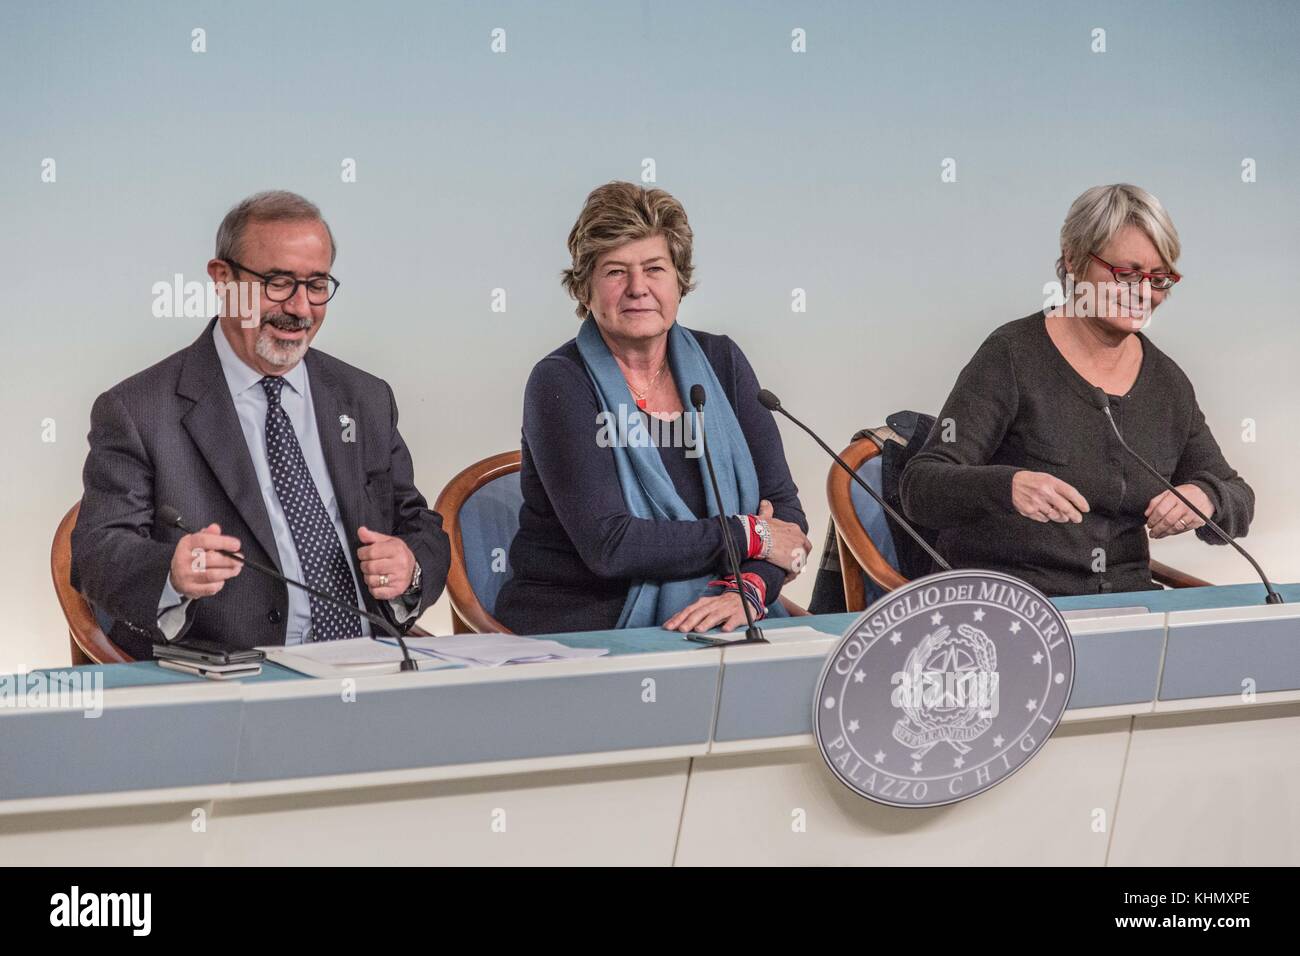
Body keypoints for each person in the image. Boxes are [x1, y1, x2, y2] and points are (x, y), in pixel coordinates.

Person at [72, 190, 449, 658]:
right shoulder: (138, 410)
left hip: (369, 668)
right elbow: (97, 551)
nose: (300, 308)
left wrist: (410, 565)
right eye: (278, 282)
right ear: (222, 278)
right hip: (229, 683)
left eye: (316, 284)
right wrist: (170, 571)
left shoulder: (366, 397)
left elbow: (419, 524)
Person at [900, 183, 1254, 596]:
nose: (1144, 293)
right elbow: (920, 487)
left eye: (1159, 279)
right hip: (1010, 609)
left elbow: (1237, 495)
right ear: (1073, 260)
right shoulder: (1012, 356)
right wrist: (1007, 487)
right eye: (1126, 273)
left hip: (1128, 613)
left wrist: (1208, 496)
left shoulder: (1167, 383)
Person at [495, 182, 812, 635]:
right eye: (615, 272)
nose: (637, 288)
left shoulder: (722, 362)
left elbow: (784, 513)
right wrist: (750, 537)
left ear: (679, 282)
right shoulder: (559, 381)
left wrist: (751, 590)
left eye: (654, 268)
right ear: (584, 289)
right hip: (586, 626)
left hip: (723, 613)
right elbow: (612, 544)